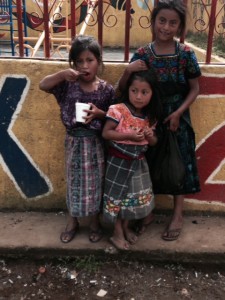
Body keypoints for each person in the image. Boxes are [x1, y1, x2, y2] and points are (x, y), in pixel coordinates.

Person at [118, 0, 201, 241]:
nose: (166, 26)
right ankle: (147, 212)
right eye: (161, 21)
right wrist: (127, 70)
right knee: (148, 163)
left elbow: (195, 88)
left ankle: (177, 214)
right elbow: (124, 90)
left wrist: (178, 113)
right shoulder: (143, 54)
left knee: (181, 162)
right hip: (150, 117)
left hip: (178, 117)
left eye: (172, 22)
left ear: (180, 26)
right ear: (153, 23)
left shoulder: (185, 54)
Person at [39, 35, 115, 243]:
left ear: (99, 61)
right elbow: (43, 85)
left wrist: (100, 114)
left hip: (96, 143)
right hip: (73, 141)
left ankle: (94, 222)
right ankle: (72, 221)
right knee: (74, 182)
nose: (84, 66)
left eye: (89, 60)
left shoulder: (106, 90)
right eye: (79, 61)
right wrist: (63, 74)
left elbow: (115, 117)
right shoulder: (68, 85)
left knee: (95, 183)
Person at [102, 70, 162, 250]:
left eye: (145, 92)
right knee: (118, 198)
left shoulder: (150, 118)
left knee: (130, 199)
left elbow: (153, 143)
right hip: (118, 163)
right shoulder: (118, 110)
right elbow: (106, 133)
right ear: (128, 90)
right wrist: (128, 135)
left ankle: (126, 227)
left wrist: (150, 135)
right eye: (134, 90)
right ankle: (117, 232)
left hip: (138, 164)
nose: (139, 96)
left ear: (152, 94)